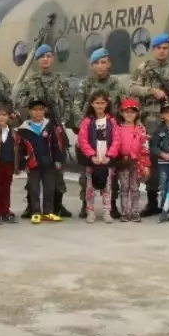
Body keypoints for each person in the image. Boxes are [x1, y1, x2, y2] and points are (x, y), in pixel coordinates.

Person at [128, 33, 169, 216]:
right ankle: (151, 202)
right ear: (154, 49)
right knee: (154, 161)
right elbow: (131, 87)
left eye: (165, 48)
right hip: (151, 121)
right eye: (159, 48)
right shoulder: (144, 68)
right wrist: (151, 91)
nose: (162, 51)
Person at [13, 44, 75, 218]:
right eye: (42, 57)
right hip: (35, 127)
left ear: (52, 59)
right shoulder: (31, 80)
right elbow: (19, 100)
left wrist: (63, 118)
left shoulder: (60, 80)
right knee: (33, 169)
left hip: (55, 126)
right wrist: (35, 102)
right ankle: (31, 206)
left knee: (57, 167)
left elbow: (68, 101)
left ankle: (57, 204)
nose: (45, 59)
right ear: (38, 60)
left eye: (48, 56)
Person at [74, 48, 128, 218]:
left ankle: (111, 204)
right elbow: (76, 107)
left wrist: (124, 127)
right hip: (90, 134)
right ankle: (86, 204)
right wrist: (83, 126)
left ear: (109, 64)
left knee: (112, 171)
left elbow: (125, 105)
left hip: (111, 134)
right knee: (87, 173)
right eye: (96, 63)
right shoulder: (85, 84)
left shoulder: (116, 84)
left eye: (103, 62)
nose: (100, 66)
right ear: (92, 65)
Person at [18, 98, 65, 224]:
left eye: (40, 110)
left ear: (45, 111)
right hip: (33, 165)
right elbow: (20, 149)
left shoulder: (49, 126)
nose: (38, 113)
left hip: (48, 163)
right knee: (34, 189)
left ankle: (48, 212)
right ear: (29, 112)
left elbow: (56, 144)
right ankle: (36, 212)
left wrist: (58, 159)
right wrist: (23, 164)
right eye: (35, 110)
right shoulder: (24, 129)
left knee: (49, 188)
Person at [77, 91, 119, 223]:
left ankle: (107, 210)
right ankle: (90, 211)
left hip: (106, 159)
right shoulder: (87, 121)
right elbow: (82, 140)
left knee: (107, 186)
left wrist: (110, 155)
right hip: (92, 160)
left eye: (102, 103)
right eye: (97, 103)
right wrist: (91, 155)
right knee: (89, 187)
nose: (100, 106)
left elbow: (117, 139)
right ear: (92, 104)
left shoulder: (111, 121)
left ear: (107, 104)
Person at [115, 98, 150, 222]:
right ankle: (125, 212)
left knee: (135, 188)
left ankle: (135, 212)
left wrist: (146, 165)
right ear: (122, 113)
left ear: (137, 114)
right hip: (123, 162)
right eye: (126, 111)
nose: (129, 114)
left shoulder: (141, 129)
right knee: (124, 187)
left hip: (137, 162)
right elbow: (115, 145)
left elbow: (145, 147)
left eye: (132, 112)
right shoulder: (118, 129)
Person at [0, 104, 19, 224]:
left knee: (6, 187)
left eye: (4, 115)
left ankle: (5, 210)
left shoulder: (12, 131)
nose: (1, 117)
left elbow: (16, 148)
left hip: (9, 162)